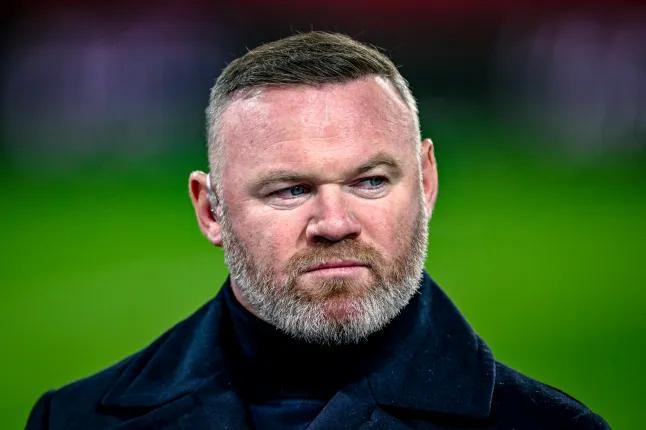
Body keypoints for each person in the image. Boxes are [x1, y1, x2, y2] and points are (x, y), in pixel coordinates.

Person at [26, 31, 609, 430]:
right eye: (289, 190)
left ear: (426, 182)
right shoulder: (71, 421)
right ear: (211, 211)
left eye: (371, 182)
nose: (334, 224)